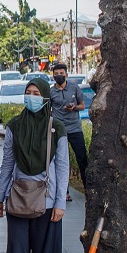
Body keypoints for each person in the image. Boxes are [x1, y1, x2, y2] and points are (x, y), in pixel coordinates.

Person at [0, 79, 69, 253]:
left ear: (45, 97)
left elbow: (63, 167)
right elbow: (7, 165)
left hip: (47, 201)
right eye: (28, 93)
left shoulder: (57, 129)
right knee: (17, 252)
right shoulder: (15, 126)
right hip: (17, 198)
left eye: (36, 93)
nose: (31, 97)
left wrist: (59, 204)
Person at [48, 62, 86, 197]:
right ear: (53, 76)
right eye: (56, 74)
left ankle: (88, 190)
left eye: (61, 74)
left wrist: (74, 107)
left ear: (66, 75)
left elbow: (82, 105)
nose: (59, 76)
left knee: (82, 160)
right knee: (61, 161)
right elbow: (48, 110)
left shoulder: (74, 88)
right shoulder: (51, 91)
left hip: (75, 129)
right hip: (59, 131)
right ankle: (64, 191)